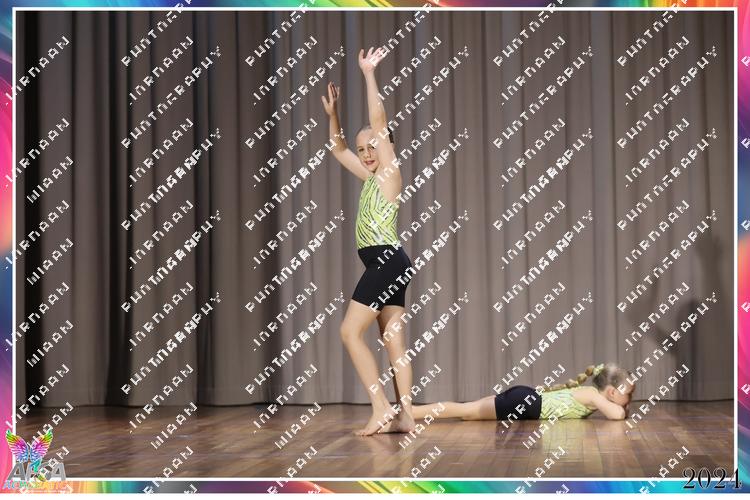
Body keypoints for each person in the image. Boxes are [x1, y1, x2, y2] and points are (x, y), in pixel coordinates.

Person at [321, 47, 415, 436]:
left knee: (349, 332)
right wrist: (334, 116)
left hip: (386, 261)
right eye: (363, 150)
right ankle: (407, 416)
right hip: (393, 262)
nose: (366, 154)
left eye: (372, 146)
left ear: (385, 145)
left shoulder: (390, 172)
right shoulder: (371, 178)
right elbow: (338, 148)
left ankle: (380, 407)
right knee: (394, 343)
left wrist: (368, 73)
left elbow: (378, 121)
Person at [406, 363, 635, 423]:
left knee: (468, 413)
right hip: (525, 403)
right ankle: (410, 413)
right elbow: (617, 415)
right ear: (612, 392)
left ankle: (409, 412)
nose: (630, 400)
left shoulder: (592, 395)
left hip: (525, 400)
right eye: (629, 394)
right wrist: (623, 408)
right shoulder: (593, 395)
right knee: (465, 411)